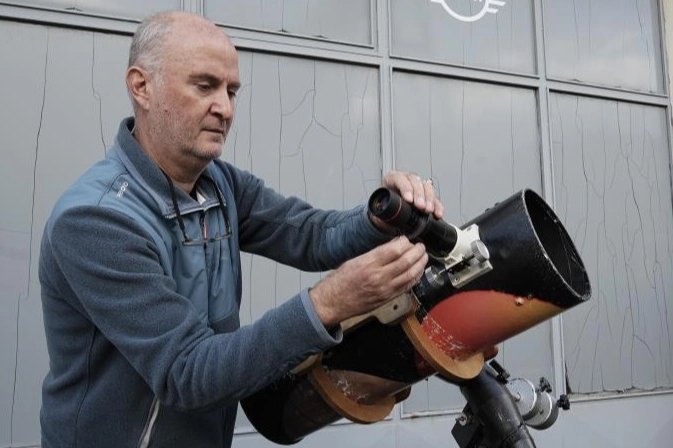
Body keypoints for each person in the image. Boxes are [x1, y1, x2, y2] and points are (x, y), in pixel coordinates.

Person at [38, 11, 444, 448]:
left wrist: (379, 217)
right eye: (205, 86)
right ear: (142, 87)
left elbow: (311, 235)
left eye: (231, 91)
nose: (225, 109)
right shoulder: (97, 221)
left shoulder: (220, 184)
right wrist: (329, 303)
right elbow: (186, 372)